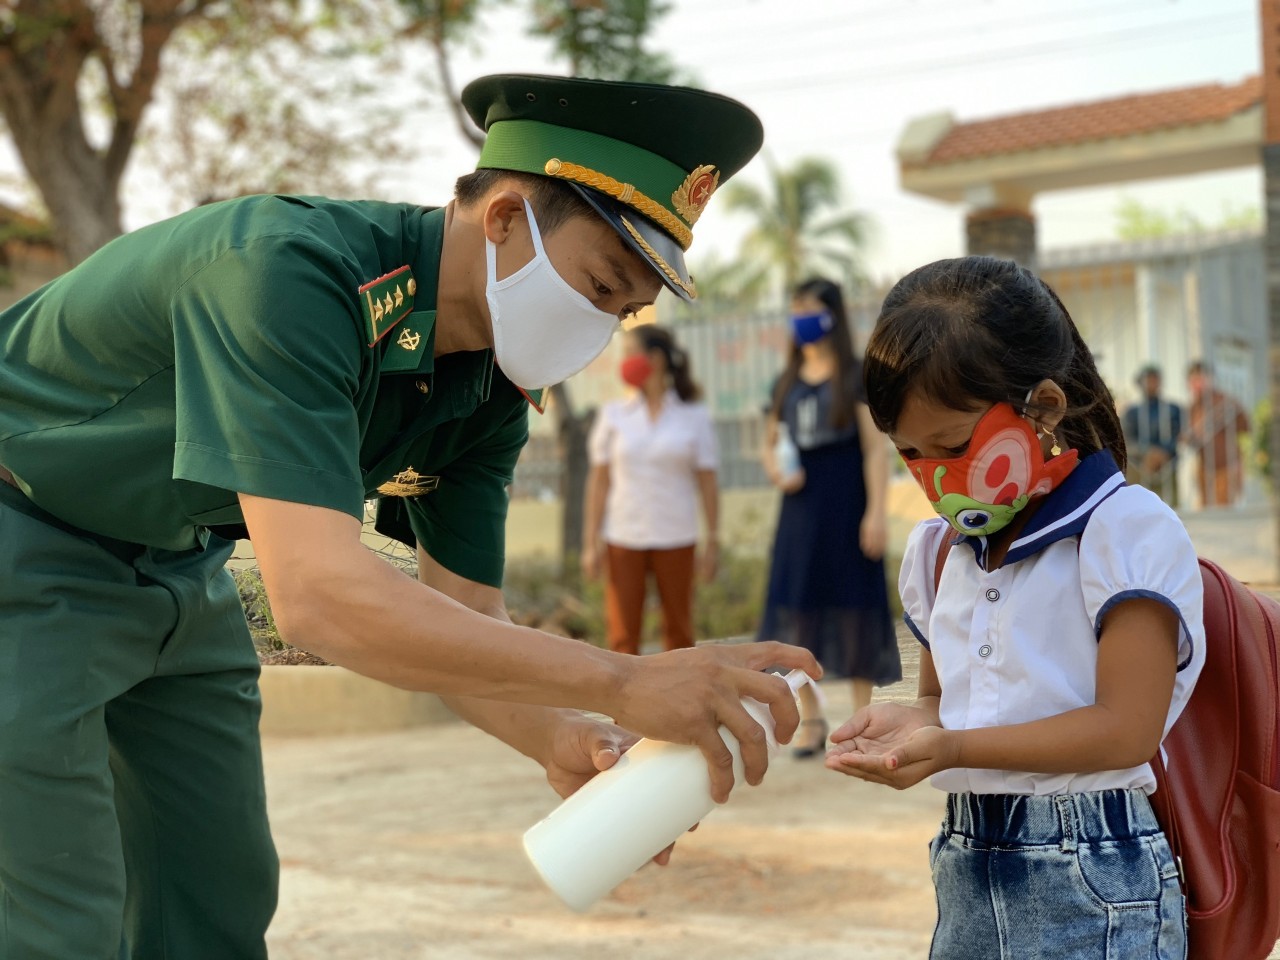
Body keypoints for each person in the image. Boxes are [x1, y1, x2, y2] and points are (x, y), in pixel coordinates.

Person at [0, 73, 821, 959]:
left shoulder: (490, 389)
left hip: (175, 564)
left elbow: (464, 616)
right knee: (59, 913)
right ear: (505, 216)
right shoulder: (288, 276)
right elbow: (319, 595)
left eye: (622, 312)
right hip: (23, 534)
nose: (599, 329)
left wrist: (562, 736)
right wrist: (624, 681)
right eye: (597, 284)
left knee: (216, 898)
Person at [826, 256, 1204, 958]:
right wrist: (912, 725)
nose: (936, 478)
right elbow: (948, 708)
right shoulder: (940, 553)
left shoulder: (1124, 532)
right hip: (968, 857)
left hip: (1097, 874)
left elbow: (1126, 730)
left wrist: (955, 747)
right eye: (909, 452)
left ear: (1046, 407)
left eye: (955, 445)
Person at [758, 277, 901, 758]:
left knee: (856, 607)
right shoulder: (786, 381)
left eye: (808, 307)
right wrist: (777, 470)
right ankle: (811, 720)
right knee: (799, 610)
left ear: (832, 314)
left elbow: (874, 452)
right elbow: (769, 441)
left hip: (847, 505)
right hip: (799, 512)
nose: (798, 316)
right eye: (794, 307)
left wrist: (876, 513)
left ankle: (859, 721)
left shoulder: (854, 375)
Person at [583, 325, 719, 655]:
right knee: (622, 635)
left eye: (631, 353)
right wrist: (590, 542)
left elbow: (707, 484)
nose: (625, 362)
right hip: (623, 536)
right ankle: (623, 706)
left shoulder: (693, 417)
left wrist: (713, 540)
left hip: (677, 535)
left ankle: (683, 705)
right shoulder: (614, 415)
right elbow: (599, 481)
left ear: (655, 359)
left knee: (679, 631)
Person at [1185, 359, 1251, 507]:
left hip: (1227, 465)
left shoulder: (1225, 402)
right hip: (1204, 467)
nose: (1198, 384)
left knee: (1223, 509)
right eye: (1194, 380)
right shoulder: (1193, 407)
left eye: (1201, 379)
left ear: (1210, 379)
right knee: (1206, 509)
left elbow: (1245, 428)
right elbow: (1188, 438)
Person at [1121, 364, 1182, 506]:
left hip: (1167, 465)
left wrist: (1163, 453)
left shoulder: (1173, 409)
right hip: (1139, 466)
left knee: (1171, 509)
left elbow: (1178, 435)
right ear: (1140, 383)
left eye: (1155, 379)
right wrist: (1147, 452)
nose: (1152, 384)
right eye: (1148, 380)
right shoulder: (1131, 412)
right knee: (1140, 507)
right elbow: (1128, 440)